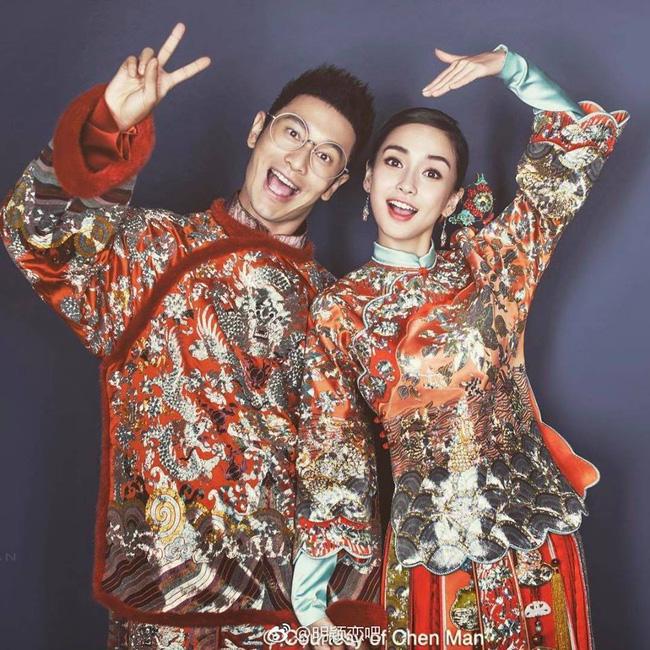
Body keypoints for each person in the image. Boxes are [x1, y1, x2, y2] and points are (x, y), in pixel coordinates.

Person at [0, 22, 378, 650]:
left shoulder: (338, 309)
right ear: (258, 129)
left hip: (288, 619)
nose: (297, 161)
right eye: (292, 133)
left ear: (336, 184)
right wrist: (107, 125)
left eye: (324, 156)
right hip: (162, 605)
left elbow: (352, 476)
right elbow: (37, 236)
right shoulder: (156, 251)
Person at [292, 43, 629, 649]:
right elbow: (332, 451)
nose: (406, 184)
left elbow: (571, 153)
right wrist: (310, 600)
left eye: (431, 172)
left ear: (450, 200)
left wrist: (512, 68)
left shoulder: (490, 265)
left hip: (533, 535)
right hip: (433, 554)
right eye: (393, 162)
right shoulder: (339, 310)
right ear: (367, 178)